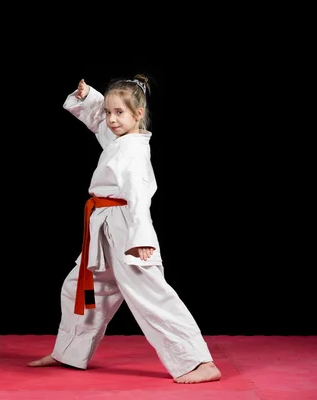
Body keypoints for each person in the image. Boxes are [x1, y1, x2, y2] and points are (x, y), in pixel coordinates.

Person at [28, 74, 221, 384]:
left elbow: (139, 197)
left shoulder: (133, 151)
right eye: (108, 111)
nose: (111, 119)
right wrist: (89, 96)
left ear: (138, 114)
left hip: (126, 226)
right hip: (104, 226)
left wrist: (140, 239)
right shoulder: (120, 139)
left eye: (119, 113)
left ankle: (199, 361)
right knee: (83, 288)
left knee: (150, 295)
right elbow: (101, 125)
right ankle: (68, 352)